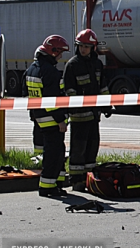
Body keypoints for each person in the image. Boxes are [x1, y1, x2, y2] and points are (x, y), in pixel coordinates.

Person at [63, 29, 111, 191]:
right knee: (79, 148)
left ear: (93, 47)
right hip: (79, 116)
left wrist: (106, 104)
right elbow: (68, 89)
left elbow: (102, 86)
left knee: (92, 147)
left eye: (87, 46)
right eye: (81, 46)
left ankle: (89, 178)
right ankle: (76, 180)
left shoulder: (97, 64)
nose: (83, 49)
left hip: (94, 115)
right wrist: (76, 107)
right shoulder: (72, 65)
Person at [25, 35, 70, 197]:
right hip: (51, 119)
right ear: (53, 51)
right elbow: (52, 100)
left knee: (57, 151)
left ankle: (55, 183)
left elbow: (29, 95)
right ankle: (47, 186)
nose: (60, 56)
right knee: (54, 154)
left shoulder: (32, 69)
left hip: (39, 117)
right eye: (60, 53)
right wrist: (60, 120)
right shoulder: (50, 72)